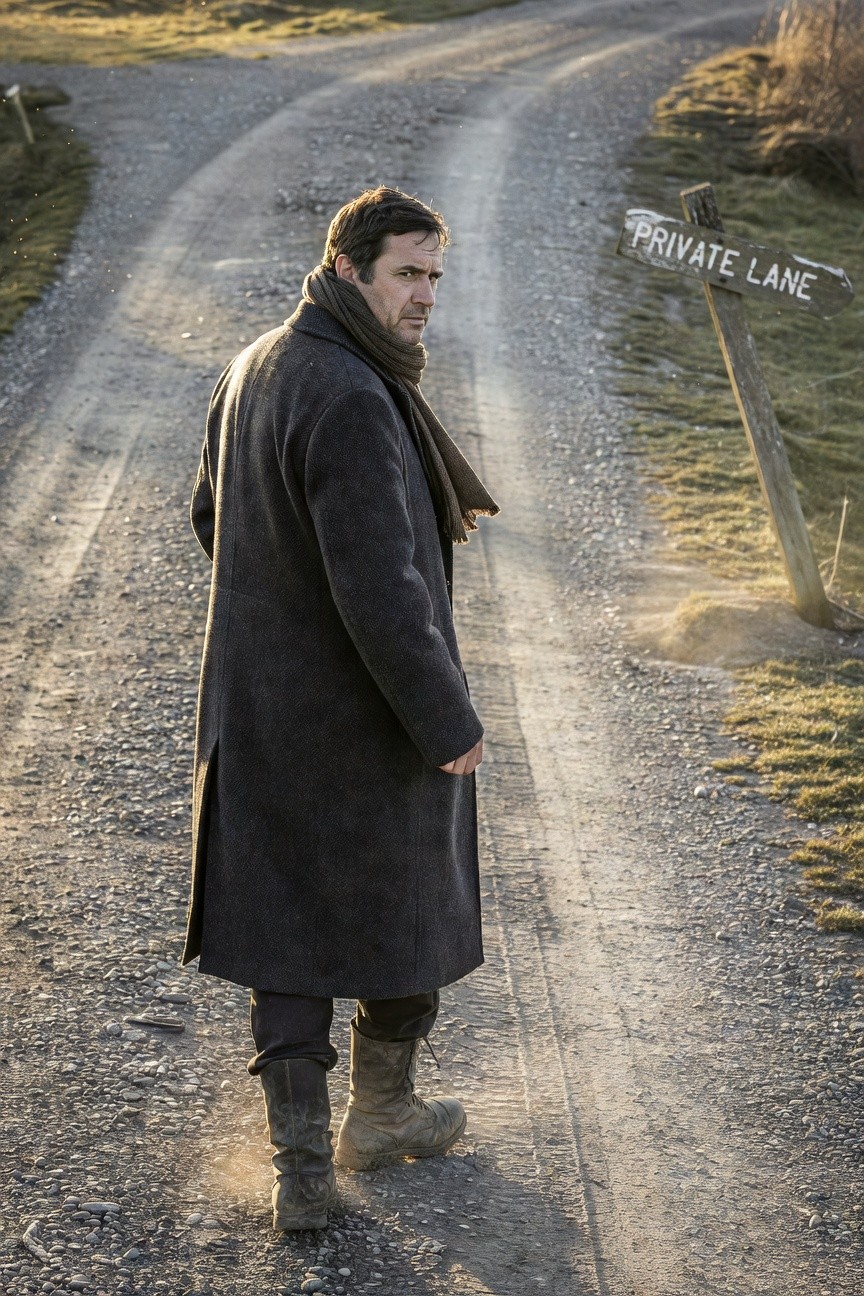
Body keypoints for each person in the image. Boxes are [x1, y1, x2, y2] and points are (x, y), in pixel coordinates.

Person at [182, 186, 498, 1231]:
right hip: (357, 720)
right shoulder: (355, 395)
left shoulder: (255, 365)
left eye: (434, 277)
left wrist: (277, 608)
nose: (425, 297)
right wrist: (446, 721)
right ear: (349, 267)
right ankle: (378, 1115)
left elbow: (208, 513)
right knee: (404, 907)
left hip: (261, 709)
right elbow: (383, 591)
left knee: (286, 929)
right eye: (408, 274)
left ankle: (303, 1170)